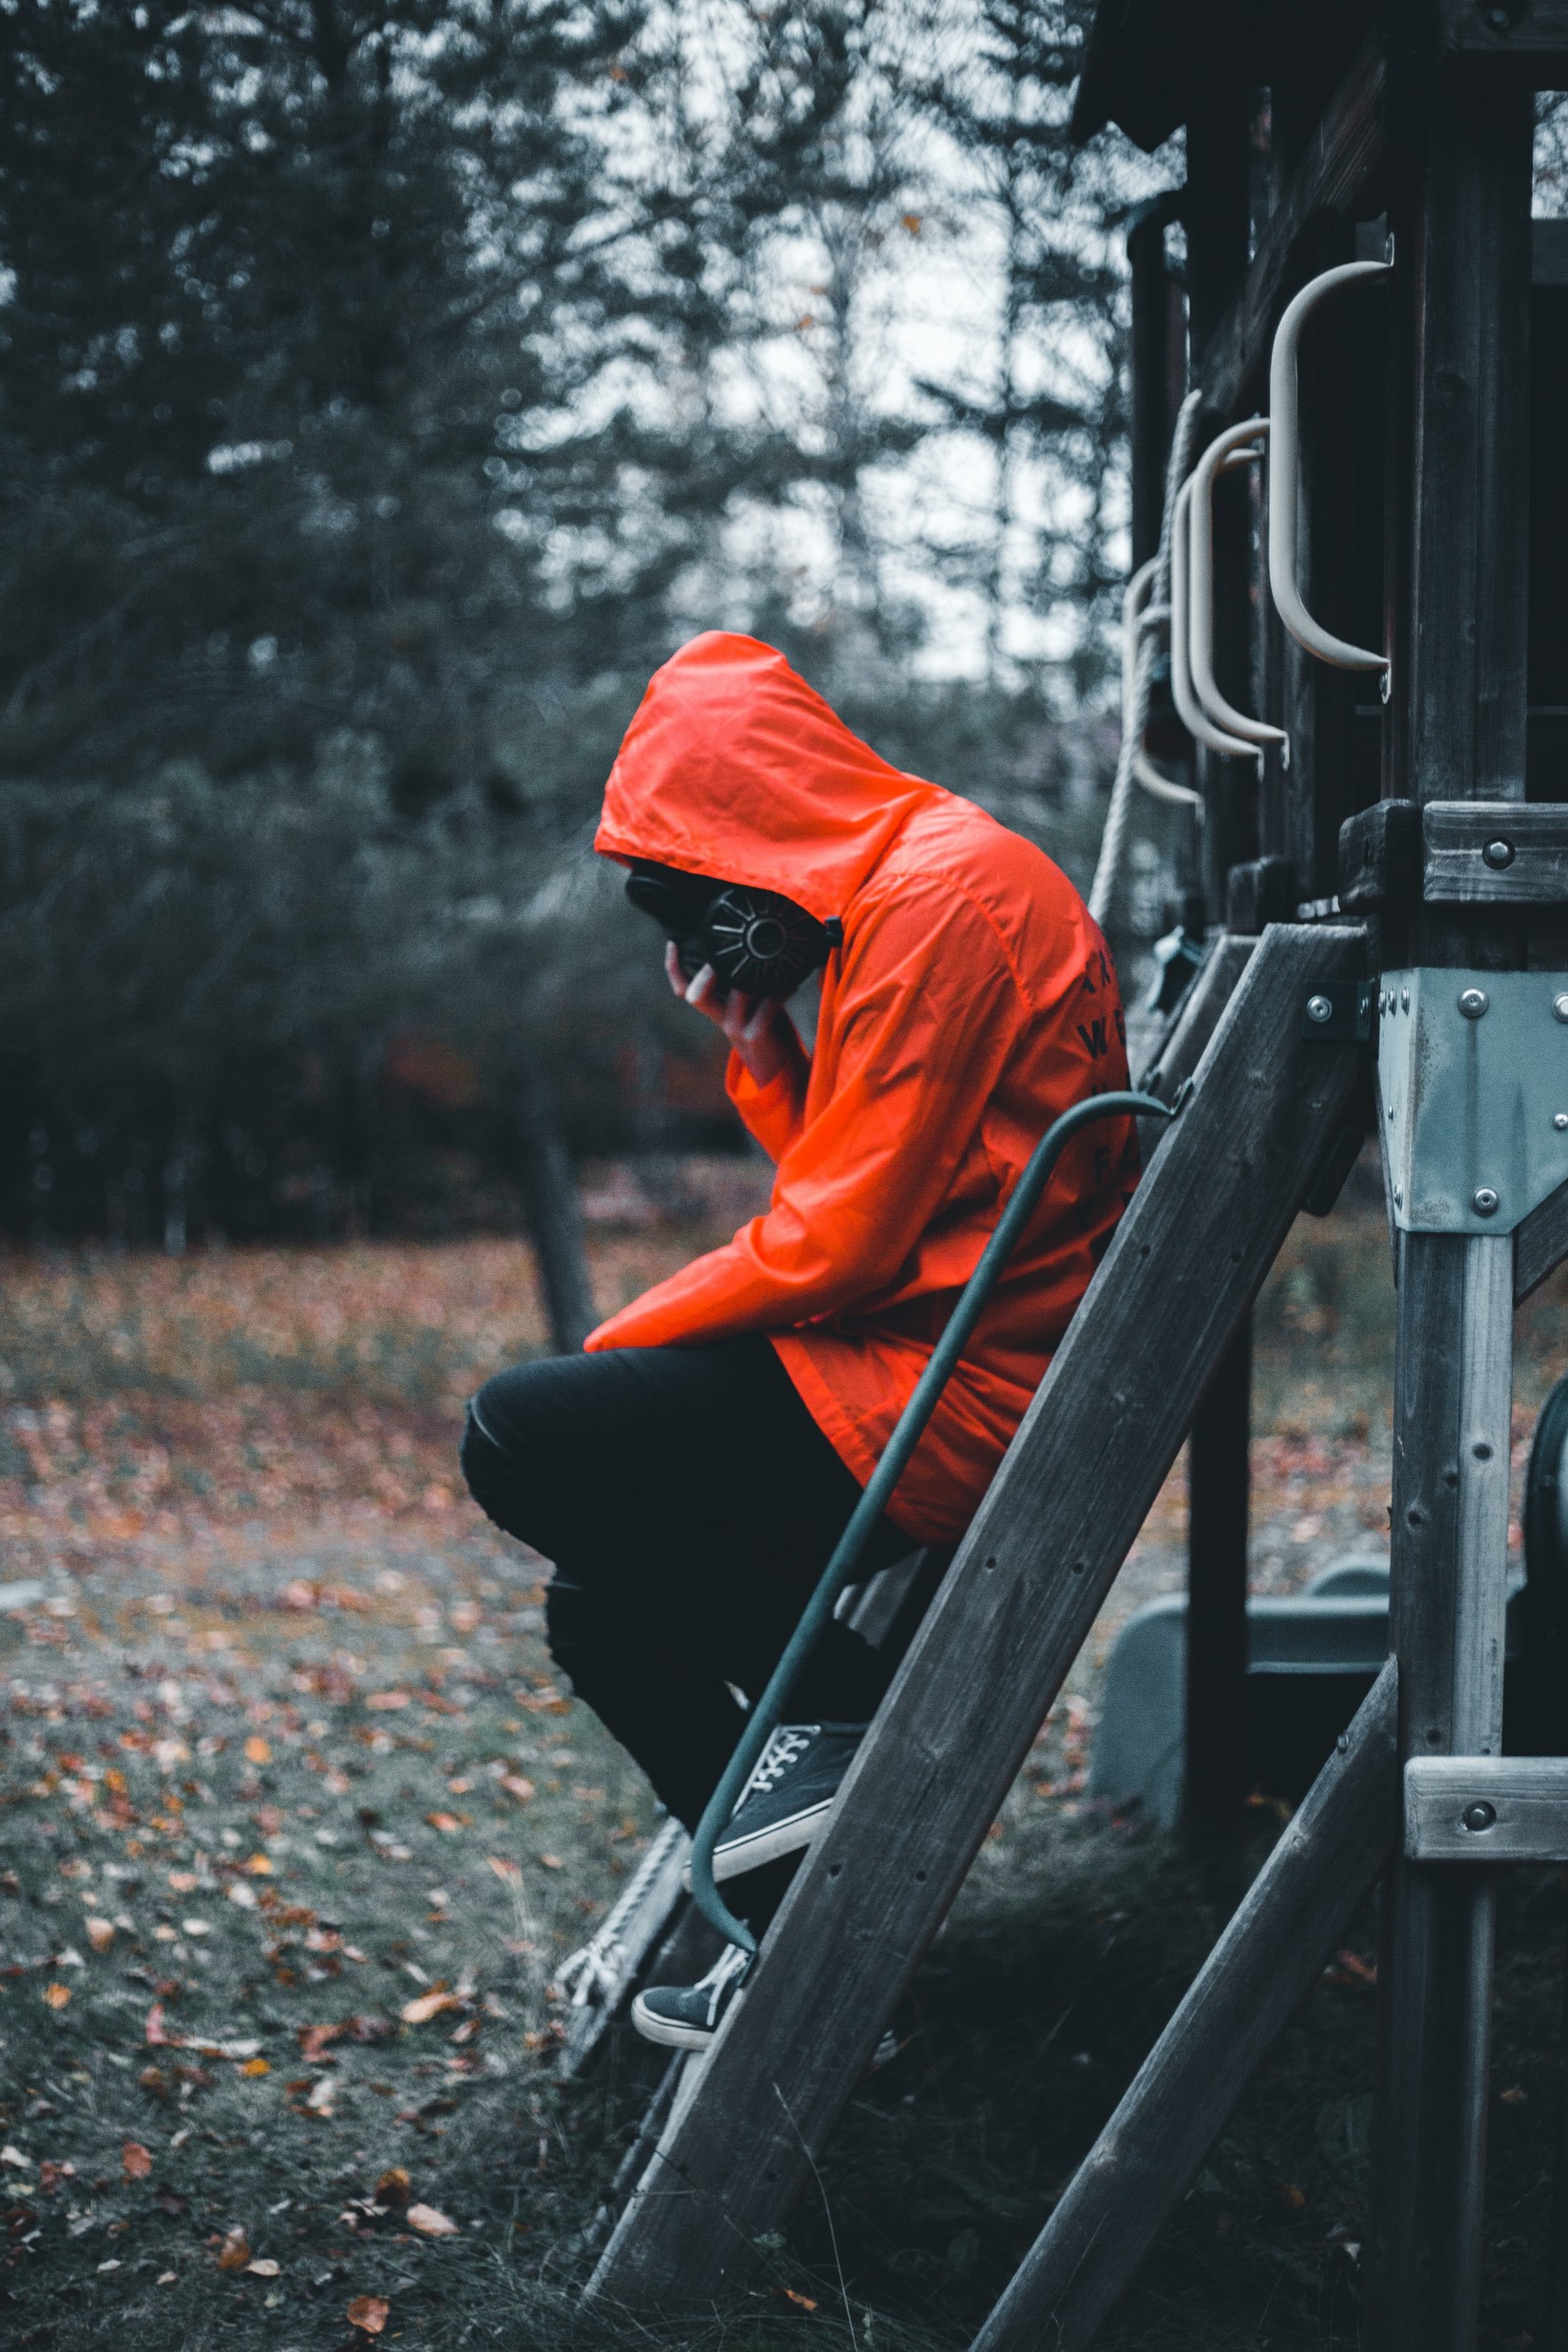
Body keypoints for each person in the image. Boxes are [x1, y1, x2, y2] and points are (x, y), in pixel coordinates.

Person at [460, 630, 1137, 2049]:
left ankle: (842, 1718)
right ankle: (803, 1944)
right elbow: (856, 1191)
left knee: (519, 1430)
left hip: (943, 1394)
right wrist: (765, 1047)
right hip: (912, 1360)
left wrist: (613, 1348)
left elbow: (839, 1244)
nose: (695, 934)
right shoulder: (920, 885)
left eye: (693, 897)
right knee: (597, 1608)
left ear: (751, 831)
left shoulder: (941, 900)